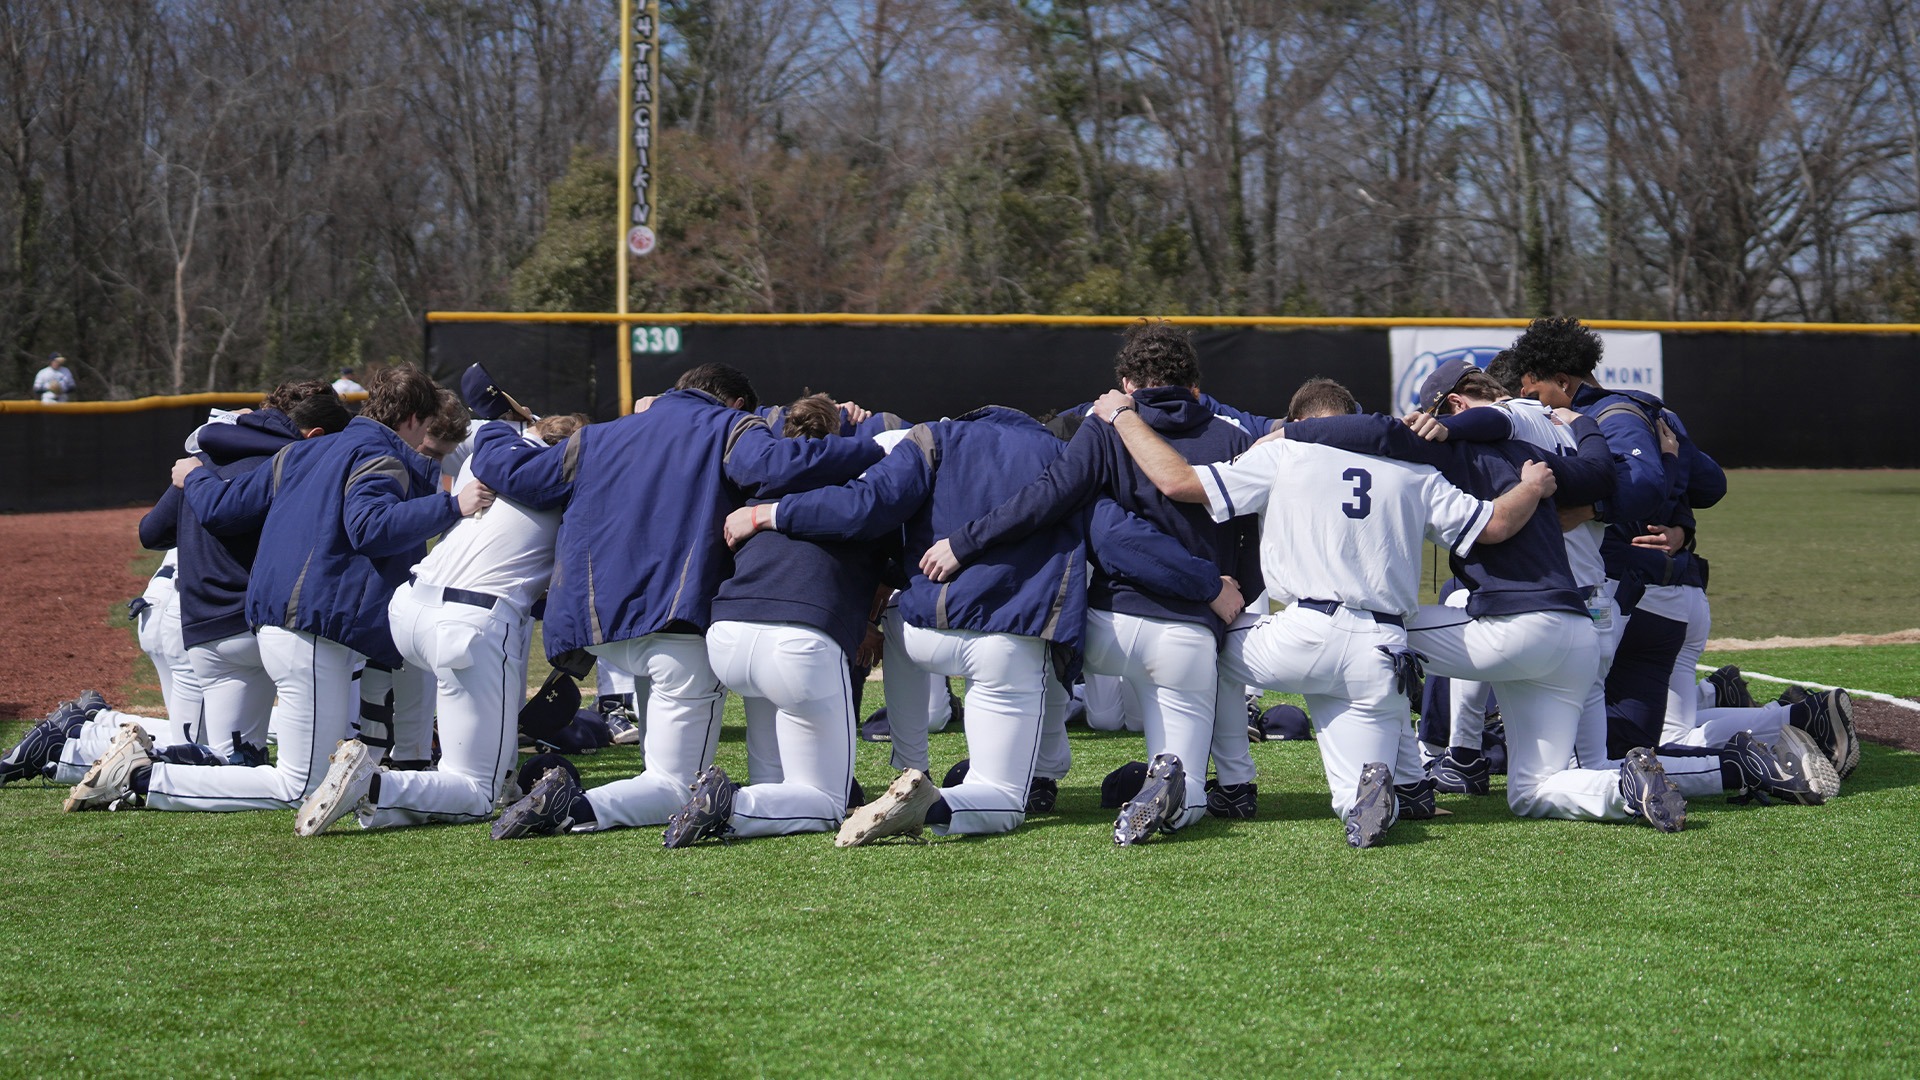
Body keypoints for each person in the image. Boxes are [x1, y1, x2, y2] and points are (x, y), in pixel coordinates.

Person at [1101, 377, 1551, 848]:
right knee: (1353, 793)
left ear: (1296, 422)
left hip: (1301, 636)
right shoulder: (1412, 469)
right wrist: (1532, 487)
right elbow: (1496, 525)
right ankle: (1399, 792)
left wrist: (1121, 417)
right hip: (1382, 651)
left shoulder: (1285, 451)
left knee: (1202, 641)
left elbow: (1180, 482)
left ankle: (1234, 786)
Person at [477, 362, 883, 840]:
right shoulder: (731, 426)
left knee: (661, 770)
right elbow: (783, 463)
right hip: (675, 626)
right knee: (673, 785)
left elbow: (514, 473)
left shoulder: (598, 436)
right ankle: (597, 802)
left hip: (598, 632)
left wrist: (492, 426)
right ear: (734, 404)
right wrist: (874, 446)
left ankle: (572, 808)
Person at [63, 365, 492, 813]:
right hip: (311, 625)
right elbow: (370, 527)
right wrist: (452, 505)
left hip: (277, 621)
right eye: (423, 428)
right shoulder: (379, 456)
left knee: (286, 767)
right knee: (301, 786)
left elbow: (225, 508)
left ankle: (138, 767)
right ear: (411, 420)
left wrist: (195, 477)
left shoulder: (306, 451)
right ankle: (143, 777)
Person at [919, 320, 1261, 843]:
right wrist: (1227, 595)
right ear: (1194, 383)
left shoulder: (1103, 426)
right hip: (1189, 634)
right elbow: (1252, 542)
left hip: (1107, 626)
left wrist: (965, 542)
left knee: (1033, 647)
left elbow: (1046, 496)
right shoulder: (1234, 434)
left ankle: (1031, 774)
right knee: (1190, 794)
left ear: (1127, 384)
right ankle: (1172, 786)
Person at [725, 403, 1088, 846]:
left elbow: (864, 506)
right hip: (1008, 635)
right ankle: (974, 792)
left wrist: (769, 513)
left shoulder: (934, 436)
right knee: (1003, 790)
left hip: (924, 627)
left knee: (897, 615)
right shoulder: (1064, 450)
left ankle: (910, 765)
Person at [296, 412, 589, 835]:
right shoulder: (564, 489)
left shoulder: (484, 455)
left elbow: (482, 426)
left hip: (411, 607)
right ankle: (375, 783)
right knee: (478, 795)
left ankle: (392, 790)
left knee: (476, 769)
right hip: (469, 624)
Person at [660, 394, 897, 847]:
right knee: (828, 800)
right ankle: (733, 803)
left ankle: (737, 806)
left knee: (774, 764)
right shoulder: (857, 483)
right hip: (798, 640)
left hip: (728, 633)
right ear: (837, 436)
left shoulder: (756, 486)